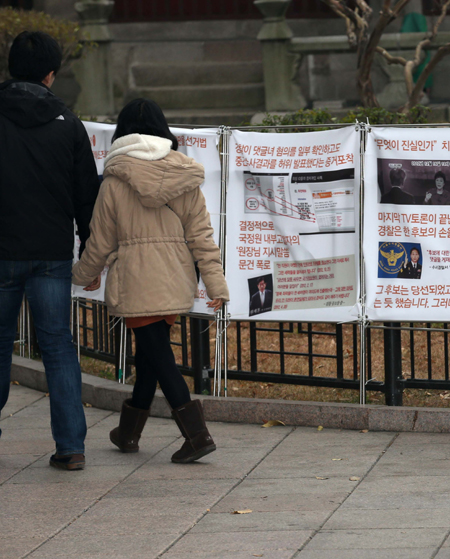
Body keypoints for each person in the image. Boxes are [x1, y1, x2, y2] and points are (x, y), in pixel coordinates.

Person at [72, 98, 229, 463]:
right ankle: (127, 433)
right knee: (150, 355)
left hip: (136, 280)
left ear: (122, 133)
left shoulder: (113, 181)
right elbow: (202, 237)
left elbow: (100, 242)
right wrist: (216, 284)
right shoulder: (185, 175)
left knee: (158, 356)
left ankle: (197, 435)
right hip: (175, 279)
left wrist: (82, 275)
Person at [0, 32, 100, 470]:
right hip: (52, 255)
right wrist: (89, 246)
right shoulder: (69, 122)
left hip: (2, 250)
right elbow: (86, 196)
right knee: (58, 346)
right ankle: (71, 446)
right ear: (51, 74)